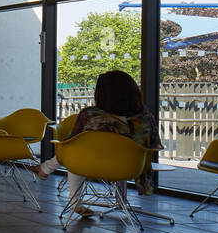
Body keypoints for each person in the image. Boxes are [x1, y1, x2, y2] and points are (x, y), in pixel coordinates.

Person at [28, 70, 162, 217]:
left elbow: (71, 142)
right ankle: (45, 169)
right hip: (131, 167)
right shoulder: (145, 118)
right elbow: (153, 146)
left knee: (75, 151)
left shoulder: (90, 115)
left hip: (91, 164)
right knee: (78, 152)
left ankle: (73, 200)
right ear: (133, 91)